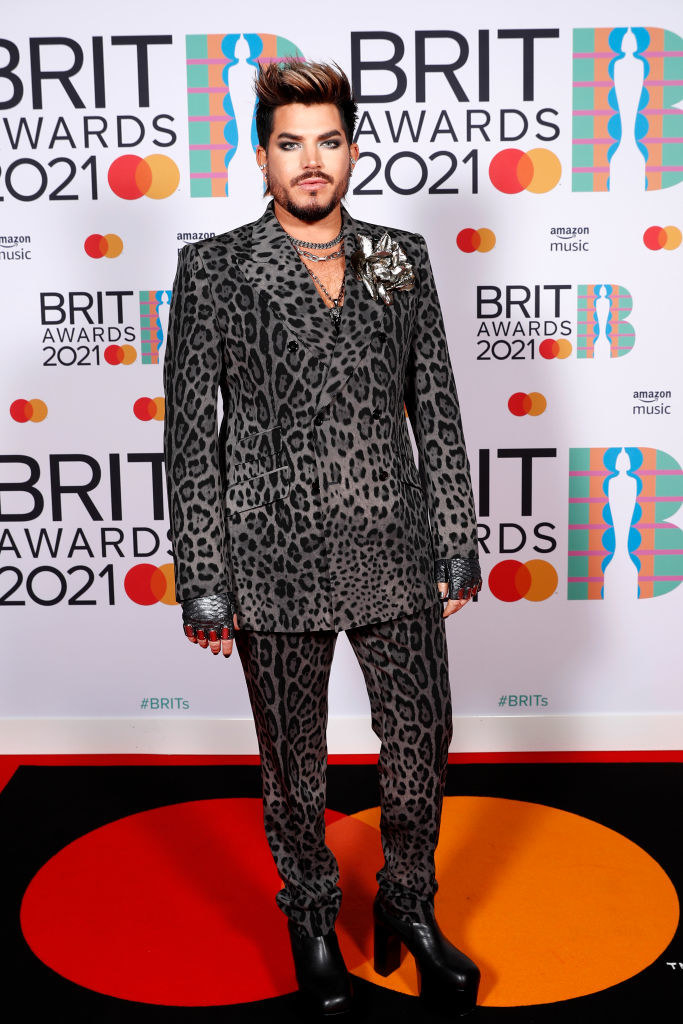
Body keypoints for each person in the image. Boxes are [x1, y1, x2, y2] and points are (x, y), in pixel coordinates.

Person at [163, 56, 483, 1019]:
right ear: (260, 158)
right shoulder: (215, 269)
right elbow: (189, 438)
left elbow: (436, 405)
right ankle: (309, 911)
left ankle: (409, 906)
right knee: (294, 764)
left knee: (422, 739)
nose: (311, 162)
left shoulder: (401, 257)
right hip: (271, 561)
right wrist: (204, 584)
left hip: (393, 543)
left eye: (329, 142)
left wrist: (454, 542)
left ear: (352, 151)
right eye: (290, 144)